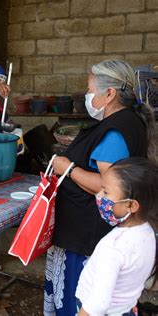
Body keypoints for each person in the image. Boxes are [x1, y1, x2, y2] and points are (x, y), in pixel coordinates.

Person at [43, 59, 157, 315]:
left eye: (90, 88)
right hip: (92, 230)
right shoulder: (131, 120)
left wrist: (69, 168)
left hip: (86, 234)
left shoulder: (115, 131)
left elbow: (108, 186)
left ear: (110, 93)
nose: (87, 95)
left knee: (81, 297)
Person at [75, 157, 157, 316]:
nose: (99, 195)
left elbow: (98, 304)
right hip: (125, 309)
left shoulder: (113, 248)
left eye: (106, 192)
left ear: (131, 205)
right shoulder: (149, 231)